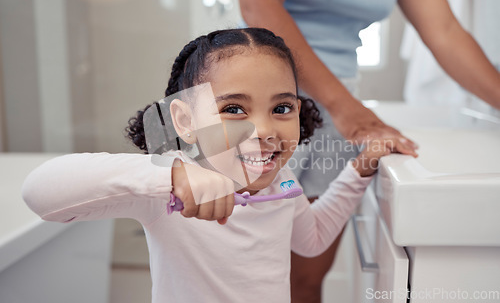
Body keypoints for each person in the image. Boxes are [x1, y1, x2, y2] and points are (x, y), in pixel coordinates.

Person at [22, 28, 416, 303]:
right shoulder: (169, 186)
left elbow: (310, 240)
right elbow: (40, 191)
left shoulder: (281, 180)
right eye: (233, 109)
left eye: (281, 108)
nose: (263, 129)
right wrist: (170, 177)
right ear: (185, 121)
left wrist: (359, 170)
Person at [238, 0, 500, 302]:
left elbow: (445, 32)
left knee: (307, 276)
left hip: (336, 100)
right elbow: (258, 5)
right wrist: (343, 107)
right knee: (250, 272)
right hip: (263, 99)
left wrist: (341, 107)